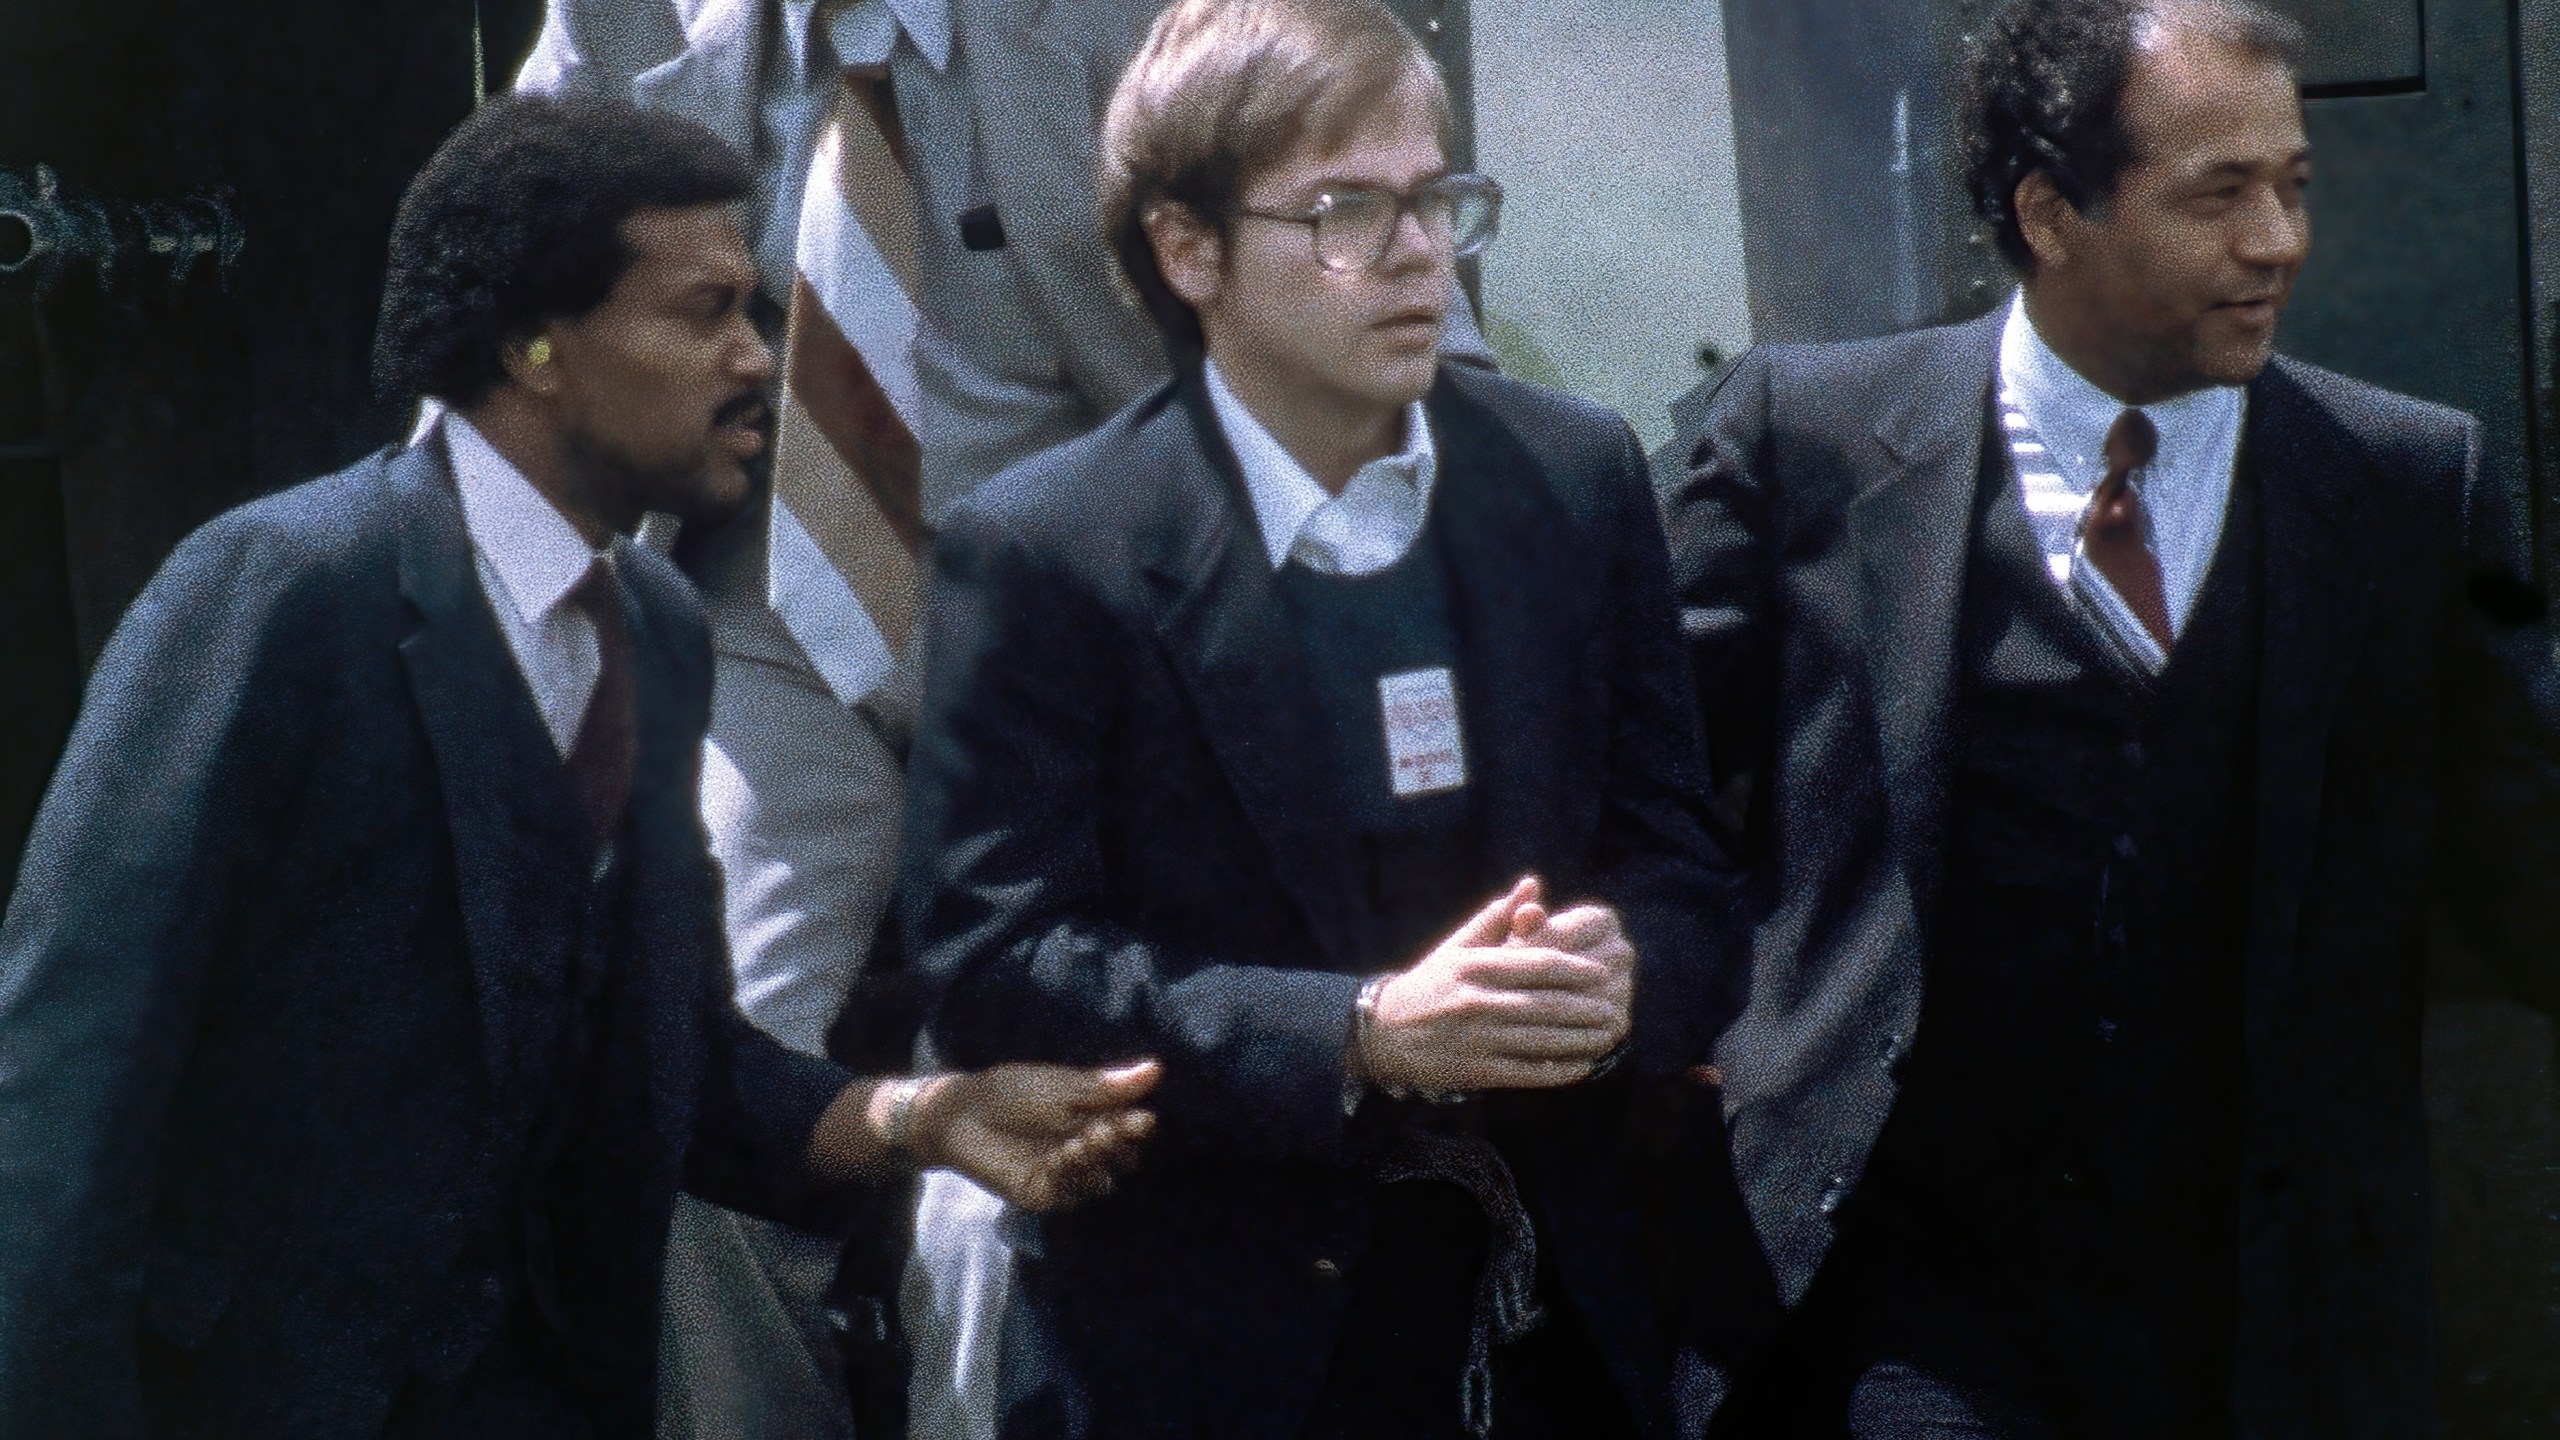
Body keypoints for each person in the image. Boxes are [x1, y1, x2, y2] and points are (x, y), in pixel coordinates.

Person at [0, 92, 1160, 1440]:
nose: (755, 358)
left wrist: (926, 1115)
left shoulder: (654, 634)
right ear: (535, 344)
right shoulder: (284, 589)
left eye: (757, 309)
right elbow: (64, 1089)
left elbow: (682, 1061)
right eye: (703, 311)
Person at [1664, 2, 2560, 1436]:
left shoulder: (2404, 487)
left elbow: (2534, 864)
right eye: (2221, 194)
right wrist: (1684, 1023)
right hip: (1909, 1324)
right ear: (2048, 210)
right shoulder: (1807, 449)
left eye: (2294, 185)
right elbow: (1631, 795)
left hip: (2269, 1329)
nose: (2278, 241)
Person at [901, 2, 1758, 1435]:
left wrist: (1629, 975)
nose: (1417, 250)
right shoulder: (1048, 547)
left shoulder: (1574, 475)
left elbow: (1685, 869)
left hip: (1557, 1314)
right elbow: (994, 962)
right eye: (1346, 211)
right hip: (1220, 1335)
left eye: (1436, 200)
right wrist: (1357, 1034)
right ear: (1189, 252)